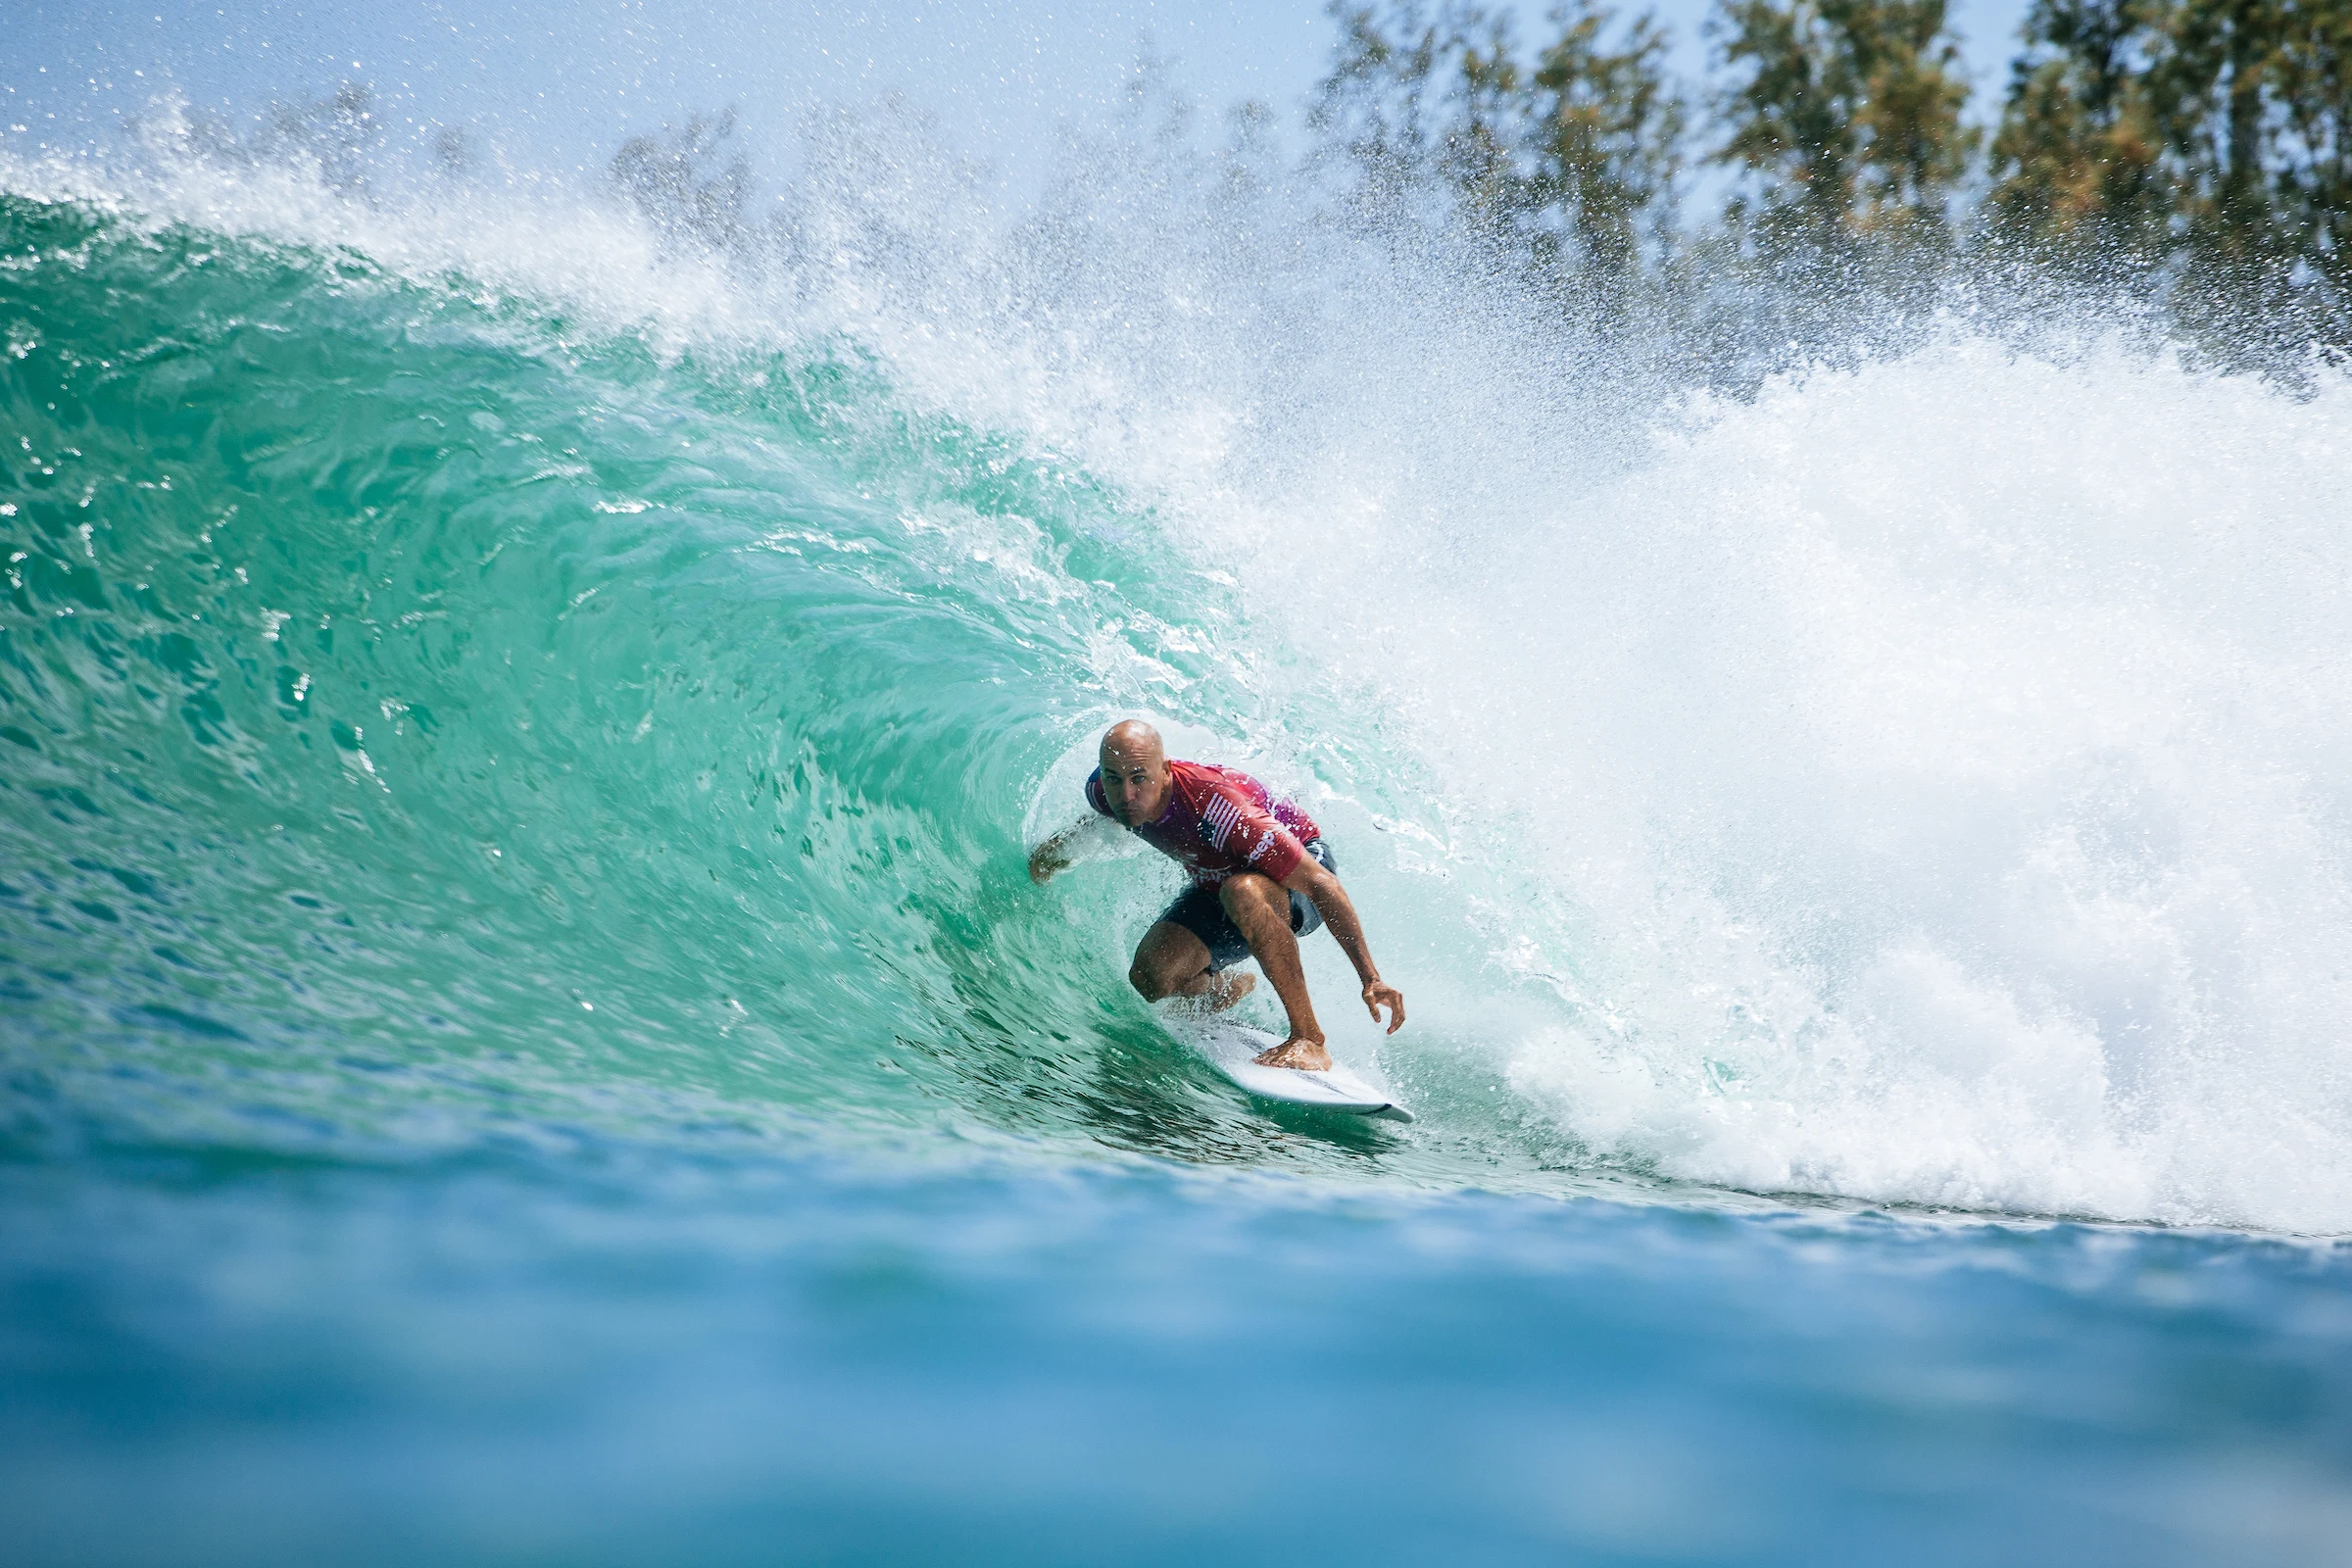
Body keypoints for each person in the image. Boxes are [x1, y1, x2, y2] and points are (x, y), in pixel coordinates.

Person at [1028, 719, 1405, 1071]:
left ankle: (1309, 1038)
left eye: (1139, 778)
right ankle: (1226, 988)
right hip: (1220, 880)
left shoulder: (1222, 809)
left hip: (1298, 868)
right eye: (1115, 779)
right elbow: (1102, 818)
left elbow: (1322, 884)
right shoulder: (1107, 791)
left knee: (1241, 891)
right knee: (1151, 977)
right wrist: (1054, 854)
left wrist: (1370, 978)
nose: (1126, 794)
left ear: (1166, 772)